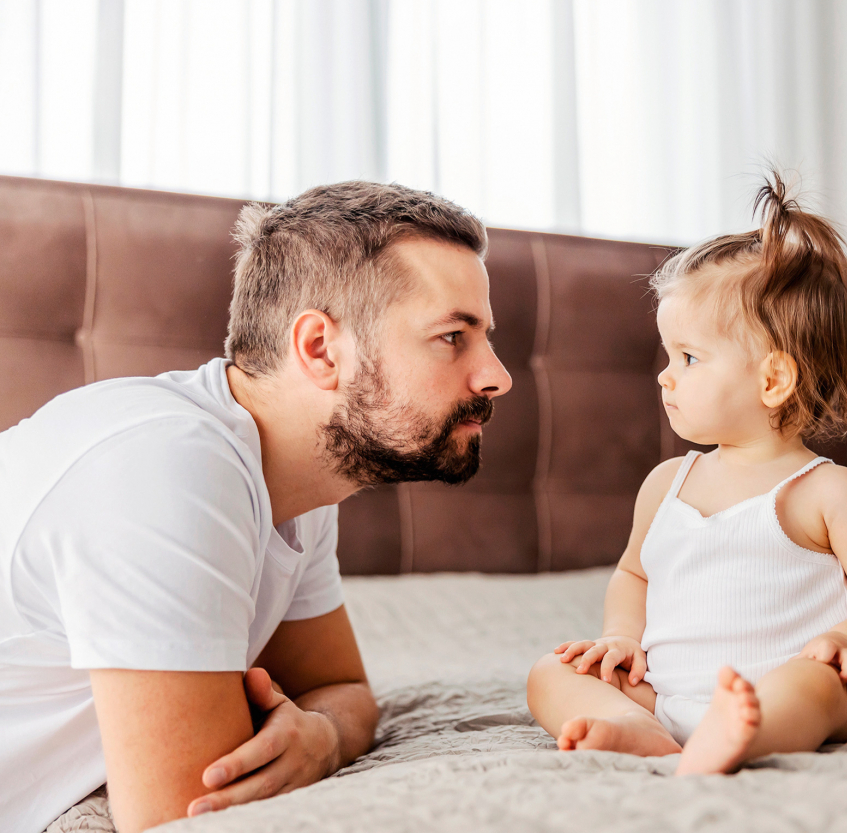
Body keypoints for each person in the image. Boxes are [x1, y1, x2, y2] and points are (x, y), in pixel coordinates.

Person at [0, 182, 512, 833]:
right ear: (320, 349)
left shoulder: (298, 474)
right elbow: (186, 810)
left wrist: (323, 735)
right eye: (452, 338)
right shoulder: (168, 464)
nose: (497, 375)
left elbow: (343, 691)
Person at [526, 172, 847, 775]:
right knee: (550, 673)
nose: (664, 375)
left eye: (688, 358)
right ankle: (638, 728)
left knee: (816, 689)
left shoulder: (827, 491)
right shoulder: (667, 484)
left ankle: (744, 735)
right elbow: (634, 574)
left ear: (771, 380)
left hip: (780, 692)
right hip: (665, 693)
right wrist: (622, 638)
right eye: (666, 355)